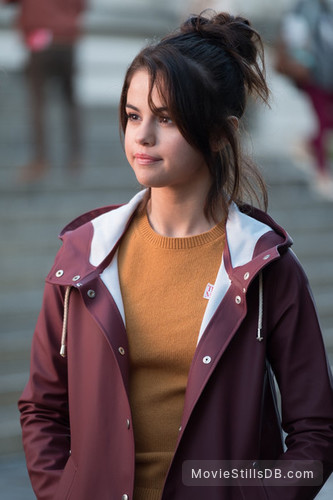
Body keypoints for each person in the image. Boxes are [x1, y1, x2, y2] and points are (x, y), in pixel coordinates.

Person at [18, 11, 333, 500]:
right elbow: (41, 407)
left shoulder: (267, 267)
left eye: (166, 118)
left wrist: (248, 495)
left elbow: (315, 431)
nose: (142, 136)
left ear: (217, 134)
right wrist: (66, 492)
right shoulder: (81, 257)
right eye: (133, 115)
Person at [6, 0, 85, 182]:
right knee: (70, 101)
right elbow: (81, 6)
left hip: (40, 40)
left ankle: (41, 160)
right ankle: (75, 158)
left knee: (38, 103)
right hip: (67, 41)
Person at [275, 0, 333, 199]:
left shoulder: (324, 8)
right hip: (315, 76)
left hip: (328, 77)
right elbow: (296, 38)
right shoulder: (305, 8)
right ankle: (321, 171)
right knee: (323, 122)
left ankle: (307, 145)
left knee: (326, 123)